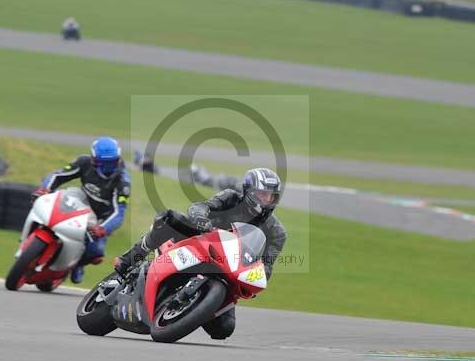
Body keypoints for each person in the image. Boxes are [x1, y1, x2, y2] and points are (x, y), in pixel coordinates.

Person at [113, 167, 287, 340]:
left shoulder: (276, 232)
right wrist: (201, 219)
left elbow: (267, 265)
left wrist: (255, 277)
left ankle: (194, 307)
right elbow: (201, 207)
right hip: (201, 240)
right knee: (170, 219)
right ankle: (129, 259)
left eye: (271, 196)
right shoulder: (231, 198)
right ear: (248, 191)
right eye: (262, 194)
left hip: (230, 266)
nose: (266, 200)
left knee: (224, 329)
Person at [31, 136, 130, 284]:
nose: (107, 168)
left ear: (117, 159)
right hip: (81, 201)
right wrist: (45, 189)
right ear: (93, 159)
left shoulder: (123, 181)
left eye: (111, 163)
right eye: (102, 163)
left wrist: (103, 228)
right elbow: (59, 175)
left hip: (101, 217)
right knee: (55, 202)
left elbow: (119, 212)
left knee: (96, 254)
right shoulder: (83, 162)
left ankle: (78, 264)